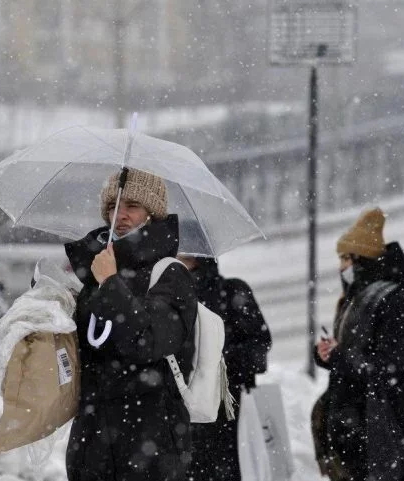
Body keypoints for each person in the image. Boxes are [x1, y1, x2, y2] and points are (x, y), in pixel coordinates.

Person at [64, 168, 198, 481]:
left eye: (132, 207)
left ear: (153, 214)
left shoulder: (169, 274)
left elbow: (147, 340)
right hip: (93, 444)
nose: (119, 215)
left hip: (149, 447)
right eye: (113, 207)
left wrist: (110, 282)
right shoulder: (93, 272)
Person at [312, 207, 404, 481]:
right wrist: (328, 354)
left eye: (345, 259)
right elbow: (354, 355)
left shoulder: (390, 301)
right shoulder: (355, 298)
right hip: (358, 430)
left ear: (362, 259)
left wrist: (342, 356)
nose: (341, 267)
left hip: (382, 433)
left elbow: (394, 367)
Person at [179, 252, 272, 481]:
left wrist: (216, 360)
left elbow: (258, 346)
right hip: (183, 403)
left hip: (225, 404)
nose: (178, 262)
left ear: (200, 258)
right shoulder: (170, 297)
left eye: (184, 256)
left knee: (223, 466)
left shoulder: (231, 291)